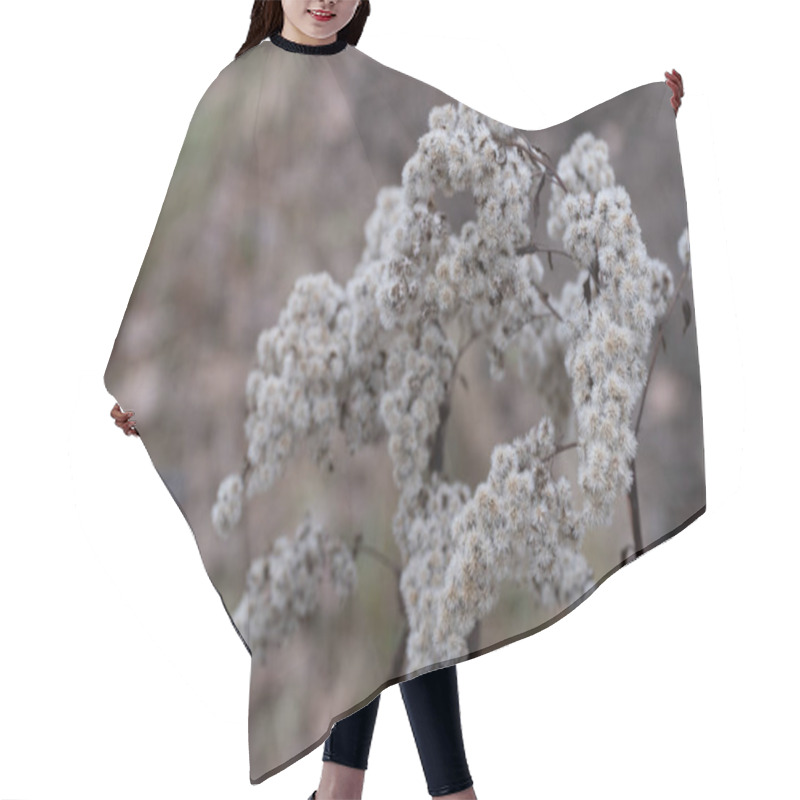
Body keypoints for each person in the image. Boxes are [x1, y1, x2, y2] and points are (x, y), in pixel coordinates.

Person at [109, 3, 685, 797]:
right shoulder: (238, 94)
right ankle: (430, 791)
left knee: (402, 584)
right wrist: (152, 387)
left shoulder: (373, 87)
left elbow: (492, 159)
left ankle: (348, 790)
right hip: (296, 398)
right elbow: (192, 254)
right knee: (386, 589)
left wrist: (643, 119)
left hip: (386, 390)